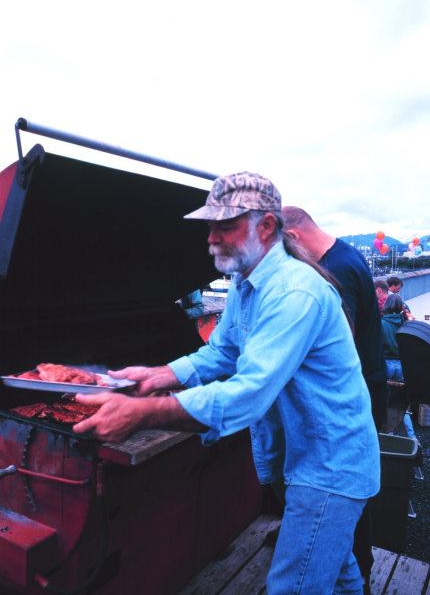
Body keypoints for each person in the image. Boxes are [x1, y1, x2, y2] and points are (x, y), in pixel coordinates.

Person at [74, 172, 380, 595]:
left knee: (292, 586)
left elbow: (250, 392)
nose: (211, 237)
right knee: (342, 579)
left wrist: (145, 414)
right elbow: (222, 352)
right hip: (305, 456)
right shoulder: (246, 282)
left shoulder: (296, 292)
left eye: (225, 225)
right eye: (210, 226)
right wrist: (159, 375)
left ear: (266, 226)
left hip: (331, 466)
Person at [282, 207, 388, 588]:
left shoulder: (335, 271)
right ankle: (353, 567)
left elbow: (334, 345)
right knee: (353, 492)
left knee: (344, 490)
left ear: (292, 236)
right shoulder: (348, 253)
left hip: (353, 397)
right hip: (371, 387)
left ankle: (356, 566)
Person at [381, 293, 416, 439]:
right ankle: (412, 438)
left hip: (386, 365)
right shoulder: (406, 324)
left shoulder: (381, 324)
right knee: (401, 405)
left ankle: (387, 436)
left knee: (384, 403)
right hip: (402, 367)